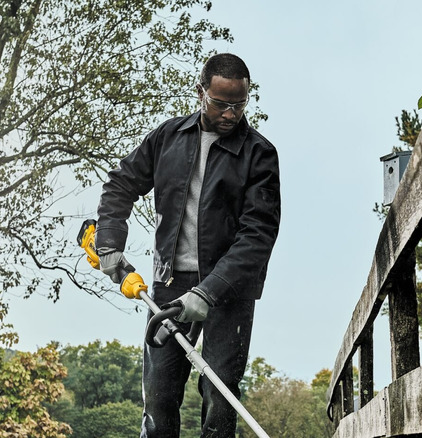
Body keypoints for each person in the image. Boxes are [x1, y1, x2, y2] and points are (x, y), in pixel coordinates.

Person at [95, 53, 281, 438]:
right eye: (221, 104)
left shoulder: (259, 154)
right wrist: (109, 241)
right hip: (170, 286)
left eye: (239, 104)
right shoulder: (168, 137)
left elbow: (258, 235)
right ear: (200, 92)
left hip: (227, 293)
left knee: (219, 397)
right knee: (159, 396)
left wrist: (209, 291)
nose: (230, 113)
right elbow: (120, 185)